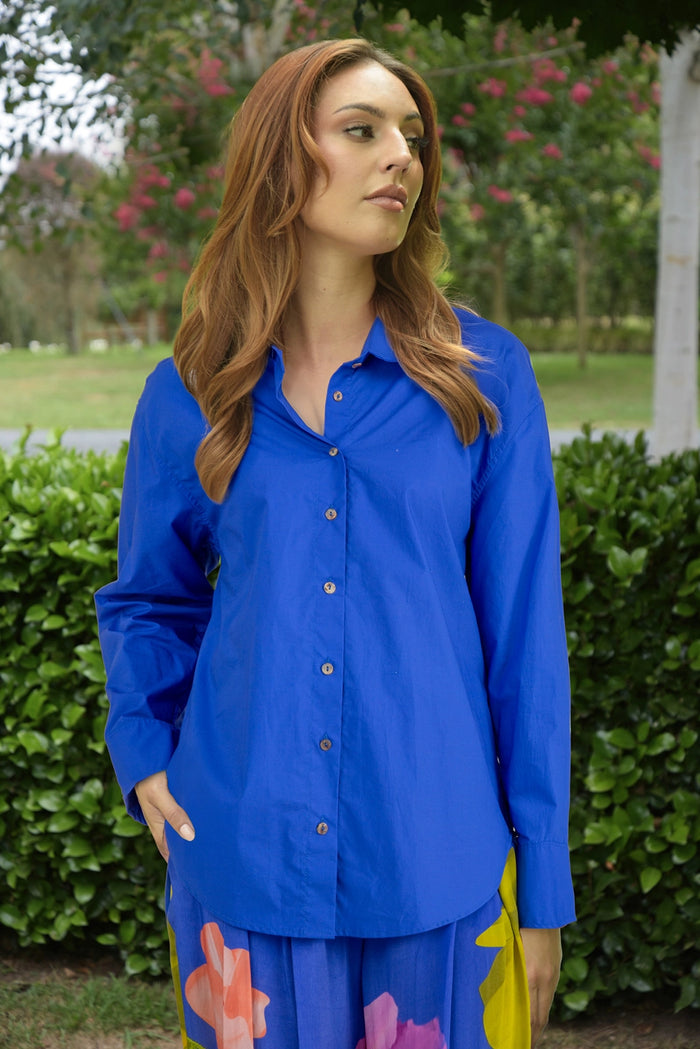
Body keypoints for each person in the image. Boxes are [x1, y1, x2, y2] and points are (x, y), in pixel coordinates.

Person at [95, 37, 575, 1049]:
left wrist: (543, 885)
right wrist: (144, 752)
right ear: (282, 159)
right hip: (239, 861)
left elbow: (526, 644)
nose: (401, 155)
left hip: (440, 865)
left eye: (412, 136)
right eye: (361, 130)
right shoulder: (191, 390)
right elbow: (150, 598)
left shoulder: (484, 377)